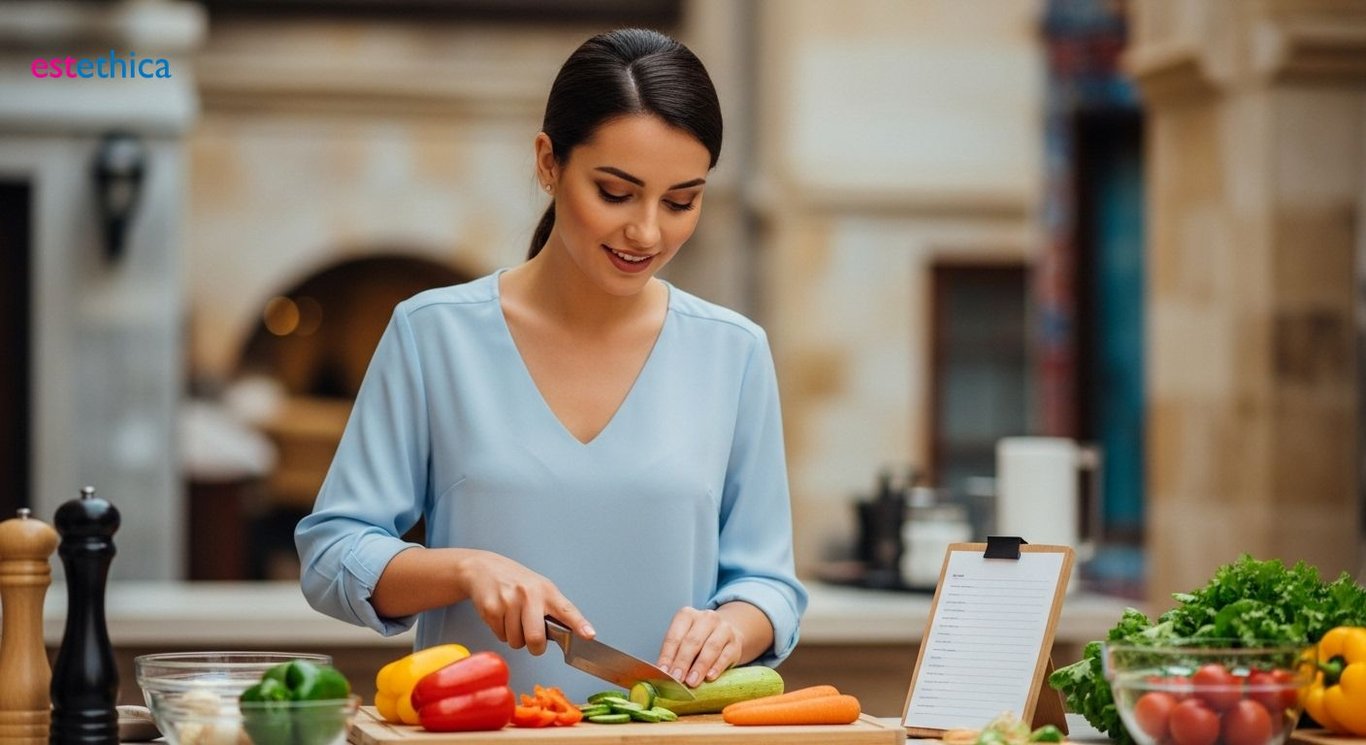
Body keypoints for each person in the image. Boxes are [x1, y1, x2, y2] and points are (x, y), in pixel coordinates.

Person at [295, 27, 808, 702]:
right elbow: (333, 553)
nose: (648, 232)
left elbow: (770, 584)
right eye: (616, 192)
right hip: (477, 730)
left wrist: (735, 629)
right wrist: (463, 568)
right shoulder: (433, 334)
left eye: (681, 201)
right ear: (549, 162)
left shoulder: (732, 351)